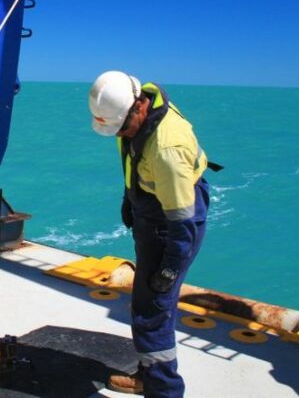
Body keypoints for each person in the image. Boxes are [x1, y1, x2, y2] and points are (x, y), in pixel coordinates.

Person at [88, 71, 212, 398]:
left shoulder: (168, 150)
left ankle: (163, 389)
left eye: (121, 127)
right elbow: (134, 156)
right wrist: (130, 198)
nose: (120, 133)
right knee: (147, 300)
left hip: (170, 222)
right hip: (154, 207)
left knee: (152, 308)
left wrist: (170, 266)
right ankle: (149, 375)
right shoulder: (136, 112)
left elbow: (182, 223)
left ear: (139, 107)